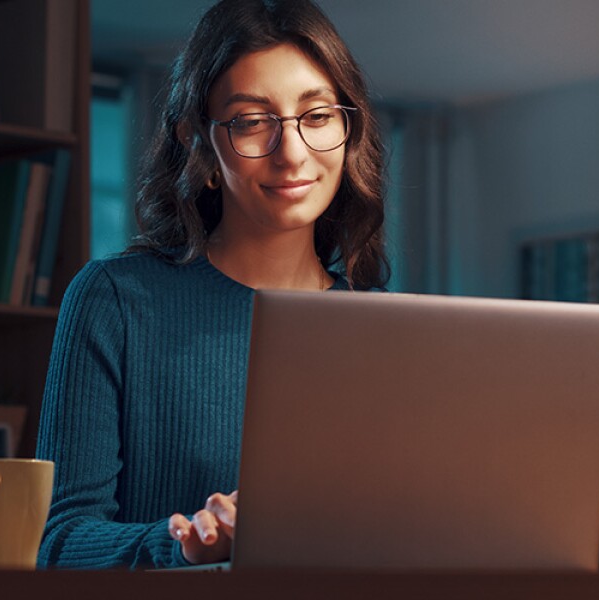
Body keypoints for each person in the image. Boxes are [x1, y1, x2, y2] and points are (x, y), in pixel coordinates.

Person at [36, 0, 389, 569]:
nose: (292, 153)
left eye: (317, 116)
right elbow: (57, 542)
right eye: (252, 122)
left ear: (349, 132)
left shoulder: (387, 329)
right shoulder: (114, 301)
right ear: (200, 145)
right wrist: (185, 545)